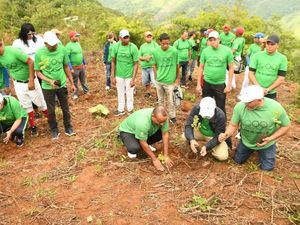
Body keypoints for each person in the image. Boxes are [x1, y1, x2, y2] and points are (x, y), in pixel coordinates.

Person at [219, 85, 291, 171]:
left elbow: (286, 126)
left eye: (248, 102)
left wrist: (271, 138)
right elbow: (233, 125)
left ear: (260, 100)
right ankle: (249, 149)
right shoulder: (240, 106)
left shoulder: (275, 108)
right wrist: (226, 134)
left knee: (267, 168)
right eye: (244, 101)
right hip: (246, 141)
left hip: (267, 144)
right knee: (237, 161)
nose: (245, 104)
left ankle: (262, 151)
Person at [0, 39, 48, 136]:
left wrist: (31, 80)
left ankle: (51, 120)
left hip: (29, 80)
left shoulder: (13, 51)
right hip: (18, 83)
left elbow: (30, 62)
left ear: (2, 42)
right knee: (26, 105)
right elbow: (3, 70)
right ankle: (32, 126)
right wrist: (6, 84)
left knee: (40, 102)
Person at [35, 31, 76, 139]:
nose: (54, 46)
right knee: (51, 110)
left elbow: (66, 66)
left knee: (65, 107)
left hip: (61, 84)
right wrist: (49, 81)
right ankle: (54, 130)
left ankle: (68, 128)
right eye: (52, 44)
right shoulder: (39, 53)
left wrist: (72, 83)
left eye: (55, 44)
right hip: (47, 87)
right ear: (45, 43)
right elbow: (38, 72)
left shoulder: (62, 49)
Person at [119, 106, 174, 171]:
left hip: (143, 132)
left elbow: (165, 134)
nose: (162, 124)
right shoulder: (143, 122)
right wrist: (154, 159)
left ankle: (143, 145)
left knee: (160, 135)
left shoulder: (162, 118)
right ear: (153, 116)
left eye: (163, 122)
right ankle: (129, 145)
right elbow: (143, 142)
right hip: (128, 132)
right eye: (159, 122)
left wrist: (166, 155)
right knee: (134, 148)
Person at [12, 23, 45, 119]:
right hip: (27, 71)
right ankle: (35, 111)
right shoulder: (17, 43)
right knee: (30, 91)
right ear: (23, 33)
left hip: (40, 69)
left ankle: (44, 108)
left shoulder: (39, 40)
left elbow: (44, 51)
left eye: (32, 33)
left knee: (41, 90)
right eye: (28, 34)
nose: (31, 36)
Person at [196, 31, 234, 114]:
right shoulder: (205, 51)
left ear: (219, 39)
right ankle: (206, 124)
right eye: (211, 40)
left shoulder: (227, 51)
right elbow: (201, 67)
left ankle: (220, 125)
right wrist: (198, 84)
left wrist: (229, 85)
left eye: (214, 39)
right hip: (207, 83)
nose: (213, 41)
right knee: (206, 106)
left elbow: (231, 67)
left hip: (220, 84)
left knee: (220, 107)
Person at [249, 34, 288, 100]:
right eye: (268, 44)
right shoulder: (257, 55)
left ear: (277, 45)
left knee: (270, 110)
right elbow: (251, 73)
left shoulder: (282, 58)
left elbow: (281, 78)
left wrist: (268, 89)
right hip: (256, 90)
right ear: (265, 44)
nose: (269, 46)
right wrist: (259, 87)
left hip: (271, 93)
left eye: (272, 44)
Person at [152, 33, 179, 125]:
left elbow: (177, 65)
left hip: (169, 81)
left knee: (171, 101)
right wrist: (156, 76)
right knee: (160, 100)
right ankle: (161, 116)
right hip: (159, 81)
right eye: (163, 44)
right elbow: (154, 64)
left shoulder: (174, 51)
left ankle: (172, 116)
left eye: (167, 43)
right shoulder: (155, 51)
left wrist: (176, 79)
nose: (165, 45)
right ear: (160, 42)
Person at [111, 29, 139, 116]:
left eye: (127, 37)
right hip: (119, 74)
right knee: (120, 92)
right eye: (124, 37)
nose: (126, 39)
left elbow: (136, 64)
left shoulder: (133, 47)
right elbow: (113, 61)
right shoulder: (116, 47)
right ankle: (121, 110)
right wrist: (112, 76)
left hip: (129, 75)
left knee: (129, 93)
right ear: (120, 38)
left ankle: (130, 110)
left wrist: (133, 78)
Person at [65, 31, 89, 100]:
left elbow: (81, 54)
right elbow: (67, 58)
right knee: (74, 82)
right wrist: (70, 68)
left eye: (78, 36)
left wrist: (84, 63)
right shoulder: (68, 46)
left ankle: (86, 91)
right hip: (74, 67)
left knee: (83, 80)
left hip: (81, 66)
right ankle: (75, 94)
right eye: (76, 36)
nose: (77, 37)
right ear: (71, 37)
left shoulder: (78, 44)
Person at [139, 31, 159, 98]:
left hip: (152, 67)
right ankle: (148, 93)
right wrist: (145, 58)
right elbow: (139, 56)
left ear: (152, 37)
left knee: (154, 82)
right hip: (144, 67)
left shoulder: (155, 45)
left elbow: (158, 53)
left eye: (150, 36)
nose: (149, 37)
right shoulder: (142, 46)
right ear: (145, 37)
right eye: (147, 36)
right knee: (145, 81)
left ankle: (158, 96)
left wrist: (150, 56)